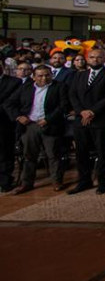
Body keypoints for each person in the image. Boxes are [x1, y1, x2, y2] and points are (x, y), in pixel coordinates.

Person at [68, 48, 105, 194]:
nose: (95, 60)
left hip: (100, 120)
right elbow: (72, 95)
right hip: (81, 120)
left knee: (102, 152)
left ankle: (102, 182)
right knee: (82, 153)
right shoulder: (80, 75)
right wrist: (81, 111)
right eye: (92, 57)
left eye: (98, 57)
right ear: (87, 59)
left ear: (104, 59)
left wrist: (92, 111)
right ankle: (84, 181)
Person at [8, 66, 66, 194]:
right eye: (40, 76)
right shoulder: (26, 88)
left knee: (54, 155)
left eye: (47, 75)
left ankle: (57, 181)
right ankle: (27, 183)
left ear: (51, 75)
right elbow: (10, 103)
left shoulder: (59, 86)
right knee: (29, 155)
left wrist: (48, 119)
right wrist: (19, 116)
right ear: (34, 77)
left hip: (50, 125)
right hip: (30, 125)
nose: (44, 78)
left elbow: (63, 106)